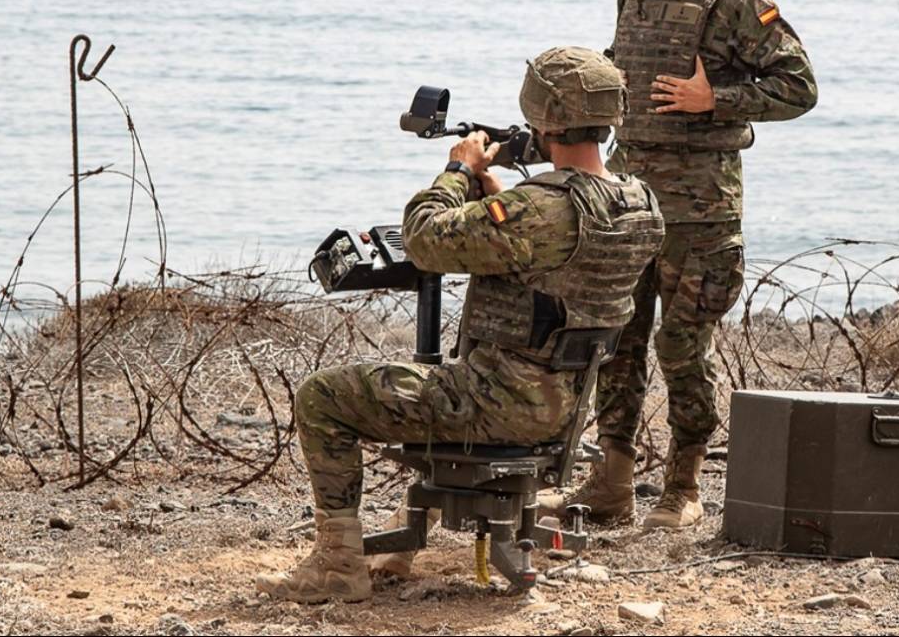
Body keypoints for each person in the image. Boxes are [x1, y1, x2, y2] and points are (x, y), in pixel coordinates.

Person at [255, 47, 665, 603]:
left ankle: (337, 566)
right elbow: (560, 258)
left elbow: (424, 236)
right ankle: (392, 541)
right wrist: (502, 202)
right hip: (565, 411)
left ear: (544, 119)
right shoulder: (640, 205)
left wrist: (458, 171)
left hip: (492, 405)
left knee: (321, 396)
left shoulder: (536, 210)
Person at [540, 0, 818, 530]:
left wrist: (713, 98)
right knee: (615, 341)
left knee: (683, 348)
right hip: (628, 202)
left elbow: (799, 87)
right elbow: (617, 75)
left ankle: (683, 485)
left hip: (701, 212)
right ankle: (612, 481)